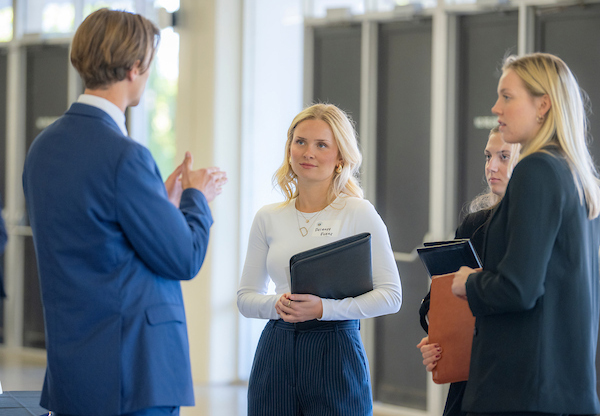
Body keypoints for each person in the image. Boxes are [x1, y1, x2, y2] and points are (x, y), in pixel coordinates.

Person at [22, 9, 227, 416]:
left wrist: (160, 200)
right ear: (135, 67)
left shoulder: (43, 148)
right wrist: (195, 197)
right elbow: (183, 257)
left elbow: (100, 236)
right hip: (134, 371)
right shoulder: (124, 155)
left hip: (75, 369)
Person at [452, 53, 600, 415]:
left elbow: (519, 288)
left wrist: (469, 283)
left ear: (542, 105)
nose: (496, 107)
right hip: (559, 390)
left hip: (522, 392)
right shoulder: (572, 175)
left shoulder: (536, 170)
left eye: (507, 96)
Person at [237, 103, 402, 416]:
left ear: (340, 157)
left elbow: (391, 296)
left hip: (336, 348)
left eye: (321, 144)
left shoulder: (357, 212)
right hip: (277, 348)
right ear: (289, 149)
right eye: (300, 142)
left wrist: (326, 308)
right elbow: (245, 298)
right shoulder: (268, 217)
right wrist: (276, 304)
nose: (308, 152)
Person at [416, 127, 519, 416]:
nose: (492, 167)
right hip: (469, 383)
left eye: (504, 156)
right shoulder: (474, 226)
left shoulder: (540, 231)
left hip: (519, 384)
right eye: (488, 156)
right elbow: (436, 302)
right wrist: (439, 339)